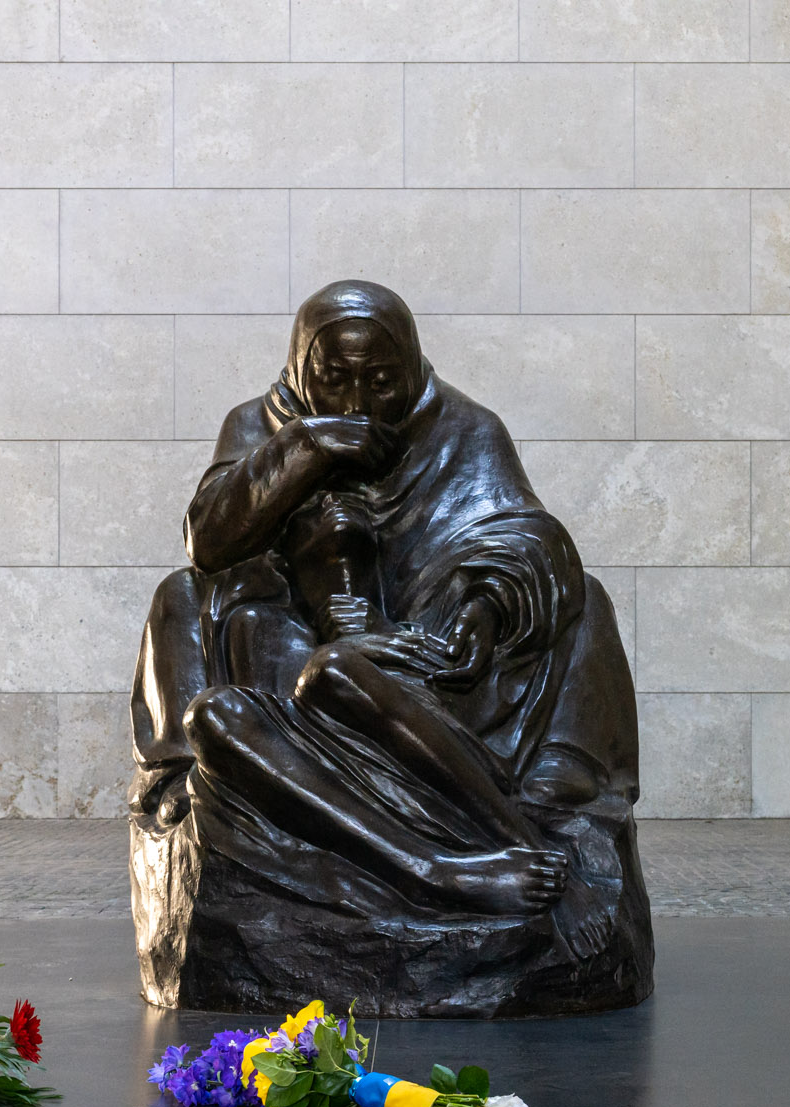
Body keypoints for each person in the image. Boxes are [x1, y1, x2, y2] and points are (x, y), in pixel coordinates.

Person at [131, 280, 640, 960]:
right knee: (184, 603)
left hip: (413, 653)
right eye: (334, 381)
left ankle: (525, 806)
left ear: (412, 369)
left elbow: (524, 536)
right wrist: (307, 449)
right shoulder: (264, 423)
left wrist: (481, 611)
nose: (357, 404)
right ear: (301, 367)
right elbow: (209, 538)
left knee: (581, 598)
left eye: (380, 382)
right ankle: (445, 862)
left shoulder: (462, 429)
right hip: (284, 661)